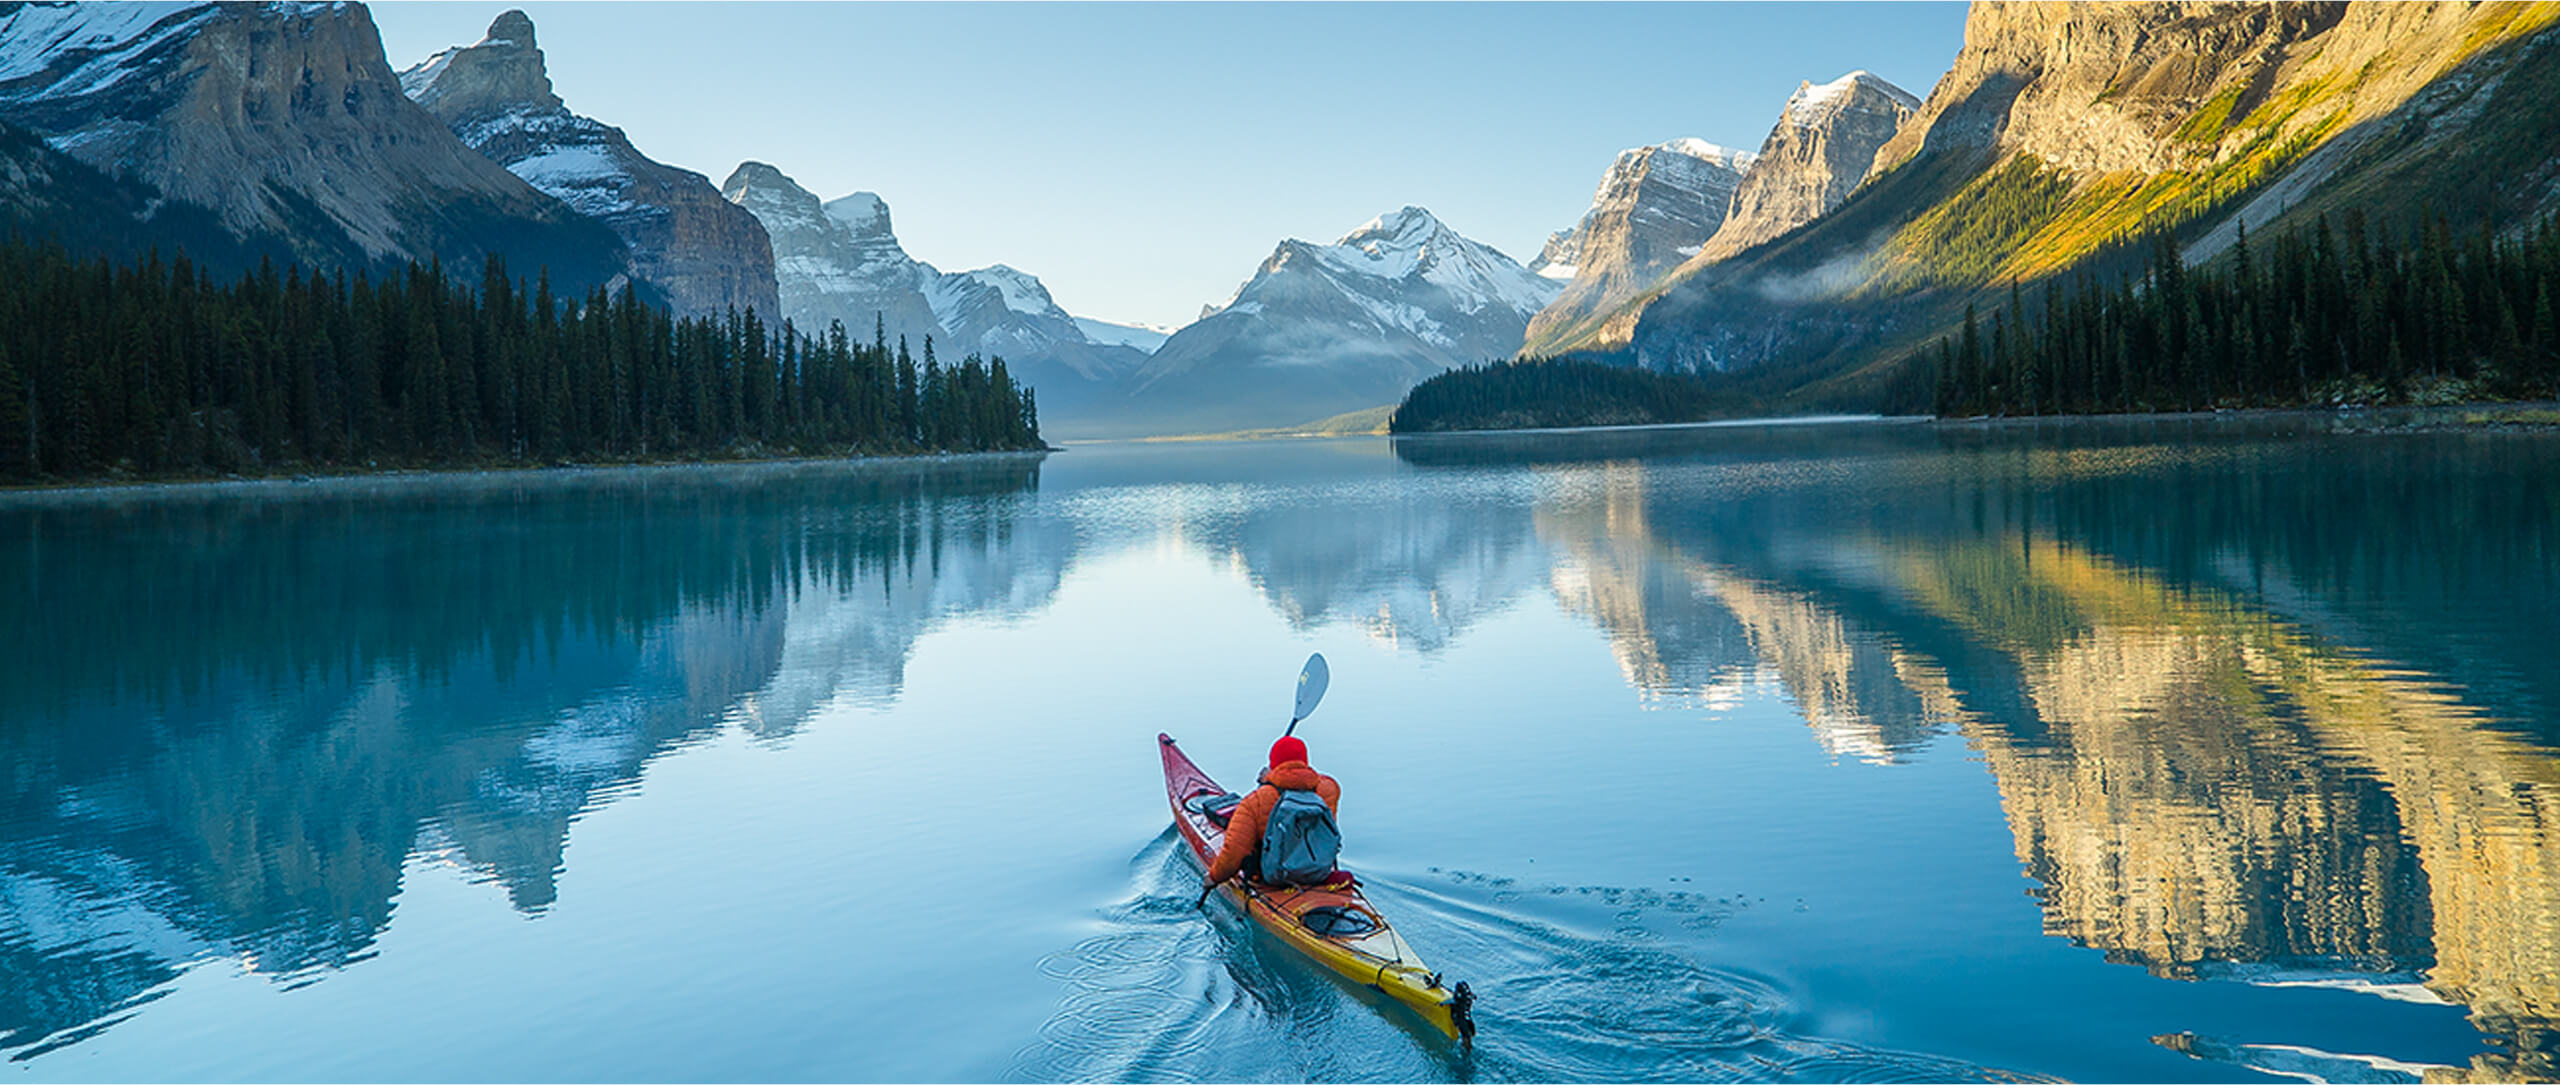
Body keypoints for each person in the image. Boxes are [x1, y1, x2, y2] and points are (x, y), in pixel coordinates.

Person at [1202, 735, 1341, 891]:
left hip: (1273, 879)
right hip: (1319, 872)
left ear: (1273, 763)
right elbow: (1306, 780)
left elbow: (1234, 853)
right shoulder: (1329, 790)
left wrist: (1213, 878)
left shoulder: (1255, 801)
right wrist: (1271, 778)